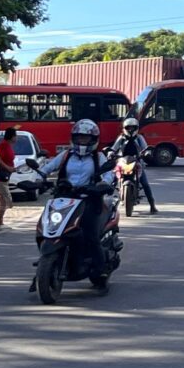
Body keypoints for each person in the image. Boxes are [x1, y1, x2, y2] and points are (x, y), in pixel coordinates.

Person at [37, 119, 116, 290]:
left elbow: (109, 174)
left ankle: (100, 269)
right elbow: (48, 167)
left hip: (89, 200)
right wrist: (37, 178)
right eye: (79, 138)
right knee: (47, 225)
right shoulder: (66, 155)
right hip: (64, 198)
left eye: (86, 138)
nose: (82, 141)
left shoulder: (98, 157)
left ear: (93, 139)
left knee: (89, 234)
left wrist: (103, 184)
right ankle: (51, 256)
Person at [108, 117, 158, 213]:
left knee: (145, 183)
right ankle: (106, 205)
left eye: (133, 128)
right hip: (122, 161)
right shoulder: (121, 138)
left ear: (137, 128)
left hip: (137, 161)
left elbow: (145, 147)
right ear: (124, 128)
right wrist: (111, 153)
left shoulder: (139, 138)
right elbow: (114, 148)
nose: (130, 130)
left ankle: (152, 205)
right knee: (112, 182)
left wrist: (146, 153)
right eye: (128, 128)